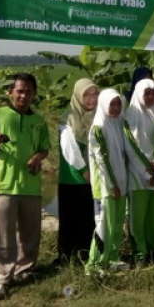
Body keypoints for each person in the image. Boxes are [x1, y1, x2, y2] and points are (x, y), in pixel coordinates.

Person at [0, 74, 50, 300]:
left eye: (28, 91)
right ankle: (3, 277)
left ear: (34, 94)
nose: (24, 95)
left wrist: (37, 158)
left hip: (30, 184)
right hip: (3, 184)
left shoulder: (38, 121)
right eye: (19, 91)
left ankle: (24, 269)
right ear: (10, 92)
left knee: (30, 232)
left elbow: (44, 148)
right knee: (3, 233)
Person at [85, 89, 133, 274]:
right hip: (105, 186)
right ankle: (94, 263)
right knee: (104, 224)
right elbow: (101, 160)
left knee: (117, 222)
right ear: (104, 104)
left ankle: (111, 258)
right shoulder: (98, 128)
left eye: (118, 104)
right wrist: (112, 185)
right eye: (112, 104)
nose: (115, 108)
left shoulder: (118, 123)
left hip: (120, 182)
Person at [56, 78, 98, 264]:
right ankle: (65, 256)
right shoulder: (68, 117)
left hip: (94, 178)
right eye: (86, 95)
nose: (91, 99)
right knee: (69, 218)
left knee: (89, 219)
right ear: (78, 96)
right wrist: (83, 170)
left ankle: (85, 254)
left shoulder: (99, 116)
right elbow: (69, 148)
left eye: (95, 94)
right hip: (72, 178)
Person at [124, 78, 154, 265]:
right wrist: (146, 171)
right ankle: (139, 252)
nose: (150, 97)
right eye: (146, 93)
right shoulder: (130, 116)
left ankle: (153, 249)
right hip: (137, 174)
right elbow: (130, 148)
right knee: (137, 217)